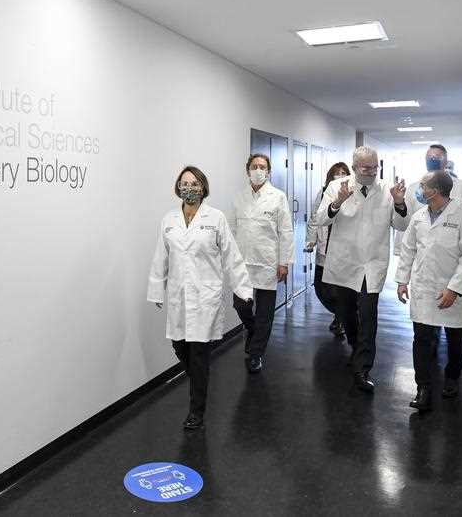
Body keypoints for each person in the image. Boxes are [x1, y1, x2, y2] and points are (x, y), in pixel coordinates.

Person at [148, 166, 254, 429]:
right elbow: (161, 256)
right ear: (177, 187)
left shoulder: (215, 218)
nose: (189, 188)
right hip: (178, 296)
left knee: (198, 354)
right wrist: (156, 289)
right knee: (180, 347)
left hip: (205, 296)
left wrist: (243, 289)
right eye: (184, 183)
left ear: (203, 187)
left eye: (194, 183)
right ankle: (199, 378)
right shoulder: (169, 219)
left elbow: (232, 256)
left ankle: (196, 411)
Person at [312, 146, 409, 392]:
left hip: (372, 263)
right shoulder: (338, 187)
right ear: (354, 167)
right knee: (345, 312)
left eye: (375, 167)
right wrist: (337, 203)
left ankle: (363, 368)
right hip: (344, 262)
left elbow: (401, 224)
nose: (371, 171)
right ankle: (357, 349)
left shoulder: (387, 190)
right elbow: (321, 218)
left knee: (368, 315)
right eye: (366, 167)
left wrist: (399, 204)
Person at [395, 171, 462, 411]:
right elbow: (408, 249)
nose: (419, 190)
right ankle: (423, 389)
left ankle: (452, 377)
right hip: (423, 287)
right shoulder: (418, 217)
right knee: (421, 340)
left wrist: (454, 290)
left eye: (422, 186)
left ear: (434, 191)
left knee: (456, 341)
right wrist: (402, 281)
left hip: (451, 289)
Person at [228, 154, 294, 374]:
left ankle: (255, 354)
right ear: (247, 170)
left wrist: (283, 263)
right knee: (240, 304)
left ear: (268, 172)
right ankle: (252, 329)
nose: (258, 170)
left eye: (262, 167)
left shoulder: (278, 197)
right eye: (254, 166)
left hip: (268, 263)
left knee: (265, 312)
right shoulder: (239, 198)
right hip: (243, 263)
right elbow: (232, 230)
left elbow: (286, 232)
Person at [394, 145, 462, 258]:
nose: (431, 160)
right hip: (421, 253)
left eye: (436, 157)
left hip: (452, 254)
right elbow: (406, 222)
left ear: (446, 161)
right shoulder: (414, 189)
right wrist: (399, 249)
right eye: (429, 157)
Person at [305, 162, 350, 337]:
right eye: (337, 173)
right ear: (330, 176)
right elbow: (315, 217)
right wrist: (310, 241)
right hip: (325, 247)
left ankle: (341, 318)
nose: (340, 176)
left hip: (343, 251)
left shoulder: (352, 194)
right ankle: (343, 315)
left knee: (339, 289)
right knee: (320, 288)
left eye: (344, 173)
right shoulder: (324, 193)